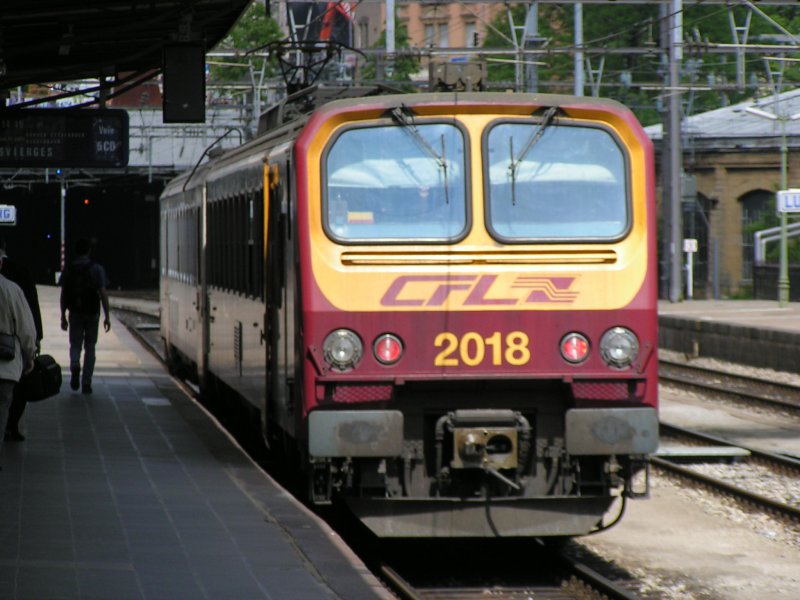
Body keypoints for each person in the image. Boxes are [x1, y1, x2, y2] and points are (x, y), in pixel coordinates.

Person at [0, 238, 43, 441]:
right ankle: (10, 427)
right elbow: (27, 325)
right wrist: (30, 353)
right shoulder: (14, 284)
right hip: (7, 361)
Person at [59, 238, 110, 395]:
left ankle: (75, 364)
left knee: (75, 344)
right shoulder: (96, 269)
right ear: (88, 251)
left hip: (75, 313)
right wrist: (107, 316)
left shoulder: (69, 269)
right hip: (92, 314)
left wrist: (63, 316)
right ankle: (86, 382)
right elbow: (103, 294)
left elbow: (63, 294)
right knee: (90, 347)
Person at [0, 258, 36, 466]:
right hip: (6, 367)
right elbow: (27, 330)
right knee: (2, 409)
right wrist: (29, 356)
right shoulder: (12, 290)